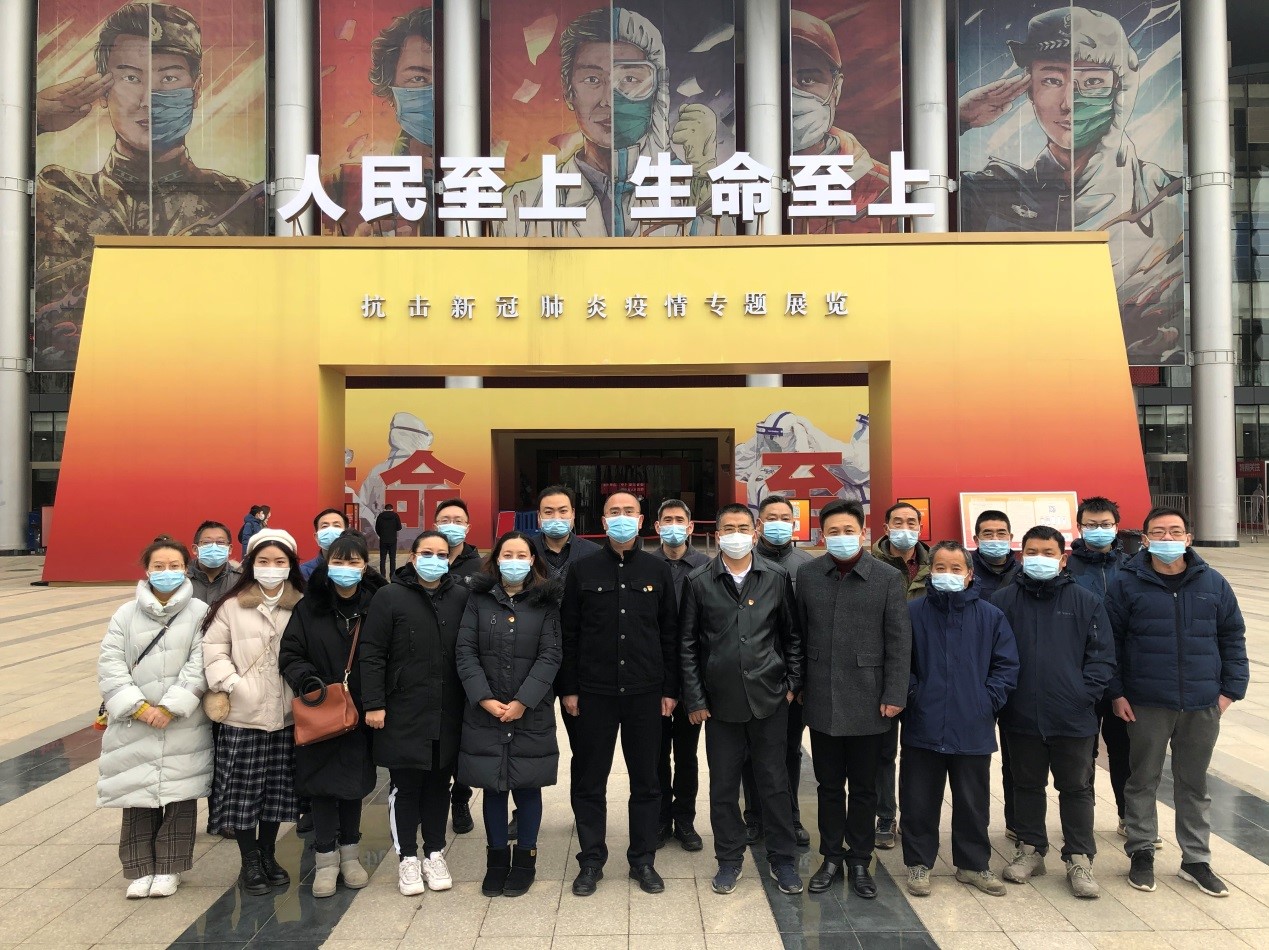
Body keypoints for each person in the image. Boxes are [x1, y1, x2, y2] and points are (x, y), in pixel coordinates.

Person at [32, 1, 265, 372]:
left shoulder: (244, 204)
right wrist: (32, 119)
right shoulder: (57, 193)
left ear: (197, 90)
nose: (147, 100)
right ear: (102, 90)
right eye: (130, 78)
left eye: (169, 79)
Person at [958, 7, 1184, 362]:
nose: (1068, 103)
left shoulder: (1166, 195)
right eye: (1052, 80)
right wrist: (957, 120)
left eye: (1092, 82)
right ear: (1029, 90)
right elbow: (889, 209)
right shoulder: (991, 194)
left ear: (1121, 90)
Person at [1107, 507, 1249, 897]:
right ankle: (1141, 852)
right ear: (1145, 540)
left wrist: (1229, 692)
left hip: (1202, 703)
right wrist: (1116, 692)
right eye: (1158, 532)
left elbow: (1232, 637)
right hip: (1146, 701)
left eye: (1175, 531)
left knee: (1194, 783)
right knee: (1142, 779)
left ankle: (1196, 859)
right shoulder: (1126, 584)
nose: (1167, 539)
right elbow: (1110, 643)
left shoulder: (1213, 582)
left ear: (1188, 538)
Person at [499, 7, 720, 238]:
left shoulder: (690, 193)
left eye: (629, 79)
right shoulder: (520, 204)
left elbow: (730, 251)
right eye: (592, 79)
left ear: (657, 89)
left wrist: (705, 178)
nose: (609, 101)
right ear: (568, 90)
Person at [680, 504, 804, 896]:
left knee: (774, 782)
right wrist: (695, 698)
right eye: (728, 528)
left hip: (769, 699)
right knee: (723, 787)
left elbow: (791, 635)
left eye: (743, 527)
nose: (736, 534)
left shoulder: (775, 577)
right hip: (720, 703)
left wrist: (791, 683)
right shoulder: (699, 581)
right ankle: (729, 859)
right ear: (718, 535)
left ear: (755, 533)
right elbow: (687, 645)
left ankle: (783, 860)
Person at [559, 492, 679, 897]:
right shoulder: (582, 570)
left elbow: (669, 633)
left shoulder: (658, 570)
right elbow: (569, 633)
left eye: (629, 512)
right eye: (615, 512)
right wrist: (569, 688)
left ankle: (642, 860)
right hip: (594, 693)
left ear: (641, 520)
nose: (622, 517)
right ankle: (591, 860)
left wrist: (670, 689)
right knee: (589, 780)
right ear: (604, 520)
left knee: (647, 781)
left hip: (646, 693)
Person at [991, 526, 1114, 899]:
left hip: (1073, 716)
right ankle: (1031, 849)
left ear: (1062, 559)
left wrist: (1083, 695)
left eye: (1048, 553)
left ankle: (1079, 857)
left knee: (1076, 788)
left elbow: (1101, 657)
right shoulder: (1002, 601)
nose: (1039, 559)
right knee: (1026, 784)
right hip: (1020, 714)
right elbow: (990, 655)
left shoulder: (1085, 601)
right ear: (1021, 556)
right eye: (1032, 552)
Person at [797, 499, 911, 898]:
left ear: (863, 533)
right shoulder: (809, 575)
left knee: (864, 787)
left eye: (849, 530)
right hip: (822, 693)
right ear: (821, 536)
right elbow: (799, 633)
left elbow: (899, 640)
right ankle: (830, 856)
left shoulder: (886, 577)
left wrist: (895, 692)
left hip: (870, 696)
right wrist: (800, 682)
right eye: (833, 531)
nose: (841, 537)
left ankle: (860, 860)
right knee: (828, 785)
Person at [901, 541, 1017, 899]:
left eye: (956, 569)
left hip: (973, 724)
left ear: (969, 574)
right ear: (930, 572)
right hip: (923, 722)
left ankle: (973, 864)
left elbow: (1006, 666)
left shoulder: (990, 616)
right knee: (919, 799)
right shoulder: (912, 613)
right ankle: (919, 863)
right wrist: (914, 696)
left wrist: (986, 701)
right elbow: (900, 664)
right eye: (940, 568)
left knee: (972, 801)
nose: (948, 574)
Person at [98, 536, 212, 899]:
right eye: (159, 566)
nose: (167, 572)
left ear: (186, 569)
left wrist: (170, 706)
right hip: (135, 720)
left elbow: (201, 663)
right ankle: (139, 869)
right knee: (136, 793)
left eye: (174, 566)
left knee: (180, 794)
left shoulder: (200, 612)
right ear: (146, 570)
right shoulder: (125, 614)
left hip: (181, 720)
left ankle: (169, 868)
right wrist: (138, 706)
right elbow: (110, 663)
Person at [360, 529, 471, 896]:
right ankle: (407, 857)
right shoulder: (389, 596)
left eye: (442, 554)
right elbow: (372, 653)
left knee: (440, 784)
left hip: (447, 710)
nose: (434, 560)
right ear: (412, 557)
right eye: (427, 553)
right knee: (406, 787)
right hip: (402, 709)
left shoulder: (460, 597)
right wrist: (374, 703)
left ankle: (434, 853)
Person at [456, 532, 563, 898]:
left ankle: (525, 861)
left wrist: (523, 701)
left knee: (528, 786)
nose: (514, 561)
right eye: (507, 554)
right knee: (493, 788)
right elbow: (465, 652)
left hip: (530, 712)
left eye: (522, 555)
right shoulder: (478, 598)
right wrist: (484, 698)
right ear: (496, 559)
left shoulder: (546, 601)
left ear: (532, 560)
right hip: (486, 711)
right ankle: (496, 861)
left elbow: (551, 655)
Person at [279, 531, 385, 898]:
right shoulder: (309, 607)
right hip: (320, 709)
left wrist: (377, 698)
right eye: (339, 561)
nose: (346, 568)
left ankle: (351, 855)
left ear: (364, 566)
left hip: (361, 710)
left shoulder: (377, 605)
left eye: (354, 561)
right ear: (327, 563)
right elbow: (290, 654)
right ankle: (325, 859)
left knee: (353, 785)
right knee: (321, 786)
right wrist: (312, 685)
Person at [202, 529, 304, 896]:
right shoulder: (232, 605)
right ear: (251, 565)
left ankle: (268, 853)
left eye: (279, 561)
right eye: (263, 561)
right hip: (243, 716)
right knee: (243, 793)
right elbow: (213, 650)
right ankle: (249, 860)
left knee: (277, 792)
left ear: (291, 565)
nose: (271, 568)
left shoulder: (302, 604)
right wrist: (233, 685)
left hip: (286, 715)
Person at [742, 494, 815, 846]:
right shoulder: (744, 562)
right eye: (771, 517)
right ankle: (754, 816)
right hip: (753, 676)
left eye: (785, 518)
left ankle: (790, 816)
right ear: (759, 524)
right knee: (750, 750)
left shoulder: (808, 565)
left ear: (794, 523)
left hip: (791, 677)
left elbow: (807, 627)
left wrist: (798, 680)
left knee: (788, 750)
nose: (778, 524)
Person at [788, 9, 892, 234]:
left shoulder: (883, 189)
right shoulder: (729, 185)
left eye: (807, 79)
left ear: (837, 88)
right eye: (777, 80)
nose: (792, 95)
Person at [1068, 496, 1134, 840]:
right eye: (1091, 525)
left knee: (1125, 751)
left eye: (1105, 524)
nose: (1098, 530)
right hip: (1081, 675)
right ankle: (1083, 821)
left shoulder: (1133, 566)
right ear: (1080, 527)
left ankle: (1129, 816)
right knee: (1082, 752)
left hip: (1124, 677)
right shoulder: (1067, 567)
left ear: (1116, 526)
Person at [870, 501, 930, 851]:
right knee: (883, 752)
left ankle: (914, 817)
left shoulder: (935, 566)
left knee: (918, 752)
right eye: (898, 521)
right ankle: (884, 815)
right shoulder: (870, 564)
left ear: (920, 527)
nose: (904, 528)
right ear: (886, 526)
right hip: (883, 671)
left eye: (911, 522)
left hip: (925, 670)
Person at [651, 498, 709, 852]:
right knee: (656, 755)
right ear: (657, 527)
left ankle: (685, 820)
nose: (673, 525)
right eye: (667, 520)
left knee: (687, 756)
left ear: (690, 527)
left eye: (679, 520)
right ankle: (660, 819)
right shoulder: (645, 565)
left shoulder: (706, 566)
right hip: (654, 677)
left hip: (691, 677)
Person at [969, 509, 1021, 839]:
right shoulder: (964, 571)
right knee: (975, 759)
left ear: (1011, 537)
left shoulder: (1024, 573)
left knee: (1017, 757)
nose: (995, 539)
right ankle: (977, 827)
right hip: (973, 677)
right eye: (987, 534)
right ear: (976, 538)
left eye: (1001, 533)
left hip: (1013, 674)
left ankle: (1016, 821)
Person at [433, 498, 481, 832]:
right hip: (429, 666)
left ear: (468, 526)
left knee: (465, 737)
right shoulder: (424, 559)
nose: (452, 524)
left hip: (468, 664)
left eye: (458, 519)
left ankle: (460, 799)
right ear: (435, 524)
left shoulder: (480, 567)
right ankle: (433, 797)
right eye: (445, 519)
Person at [532, 485, 602, 579]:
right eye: (548, 512)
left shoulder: (594, 552)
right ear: (539, 516)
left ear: (573, 513)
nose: (556, 518)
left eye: (563, 511)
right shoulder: (526, 550)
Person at [188, 521, 242, 606]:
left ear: (230, 549)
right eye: (207, 542)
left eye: (220, 542)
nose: (214, 547)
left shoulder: (240, 581)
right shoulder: (182, 578)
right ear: (195, 549)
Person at [302, 509, 349, 581]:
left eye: (336, 525)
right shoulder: (304, 572)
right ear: (316, 537)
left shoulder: (357, 568)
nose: (330, 530)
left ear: (347, 533)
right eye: (324, 526)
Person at [375, 503, 404, 576]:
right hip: (393, 540)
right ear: (392, 509)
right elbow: (399, 527)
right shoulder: (395, 515)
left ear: (385, 509)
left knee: (382, 559)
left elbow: (377, 528)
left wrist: (381, 535)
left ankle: (382, 575)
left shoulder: (380, 516)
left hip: (383, 540)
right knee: (392, 559)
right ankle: (392, 575)